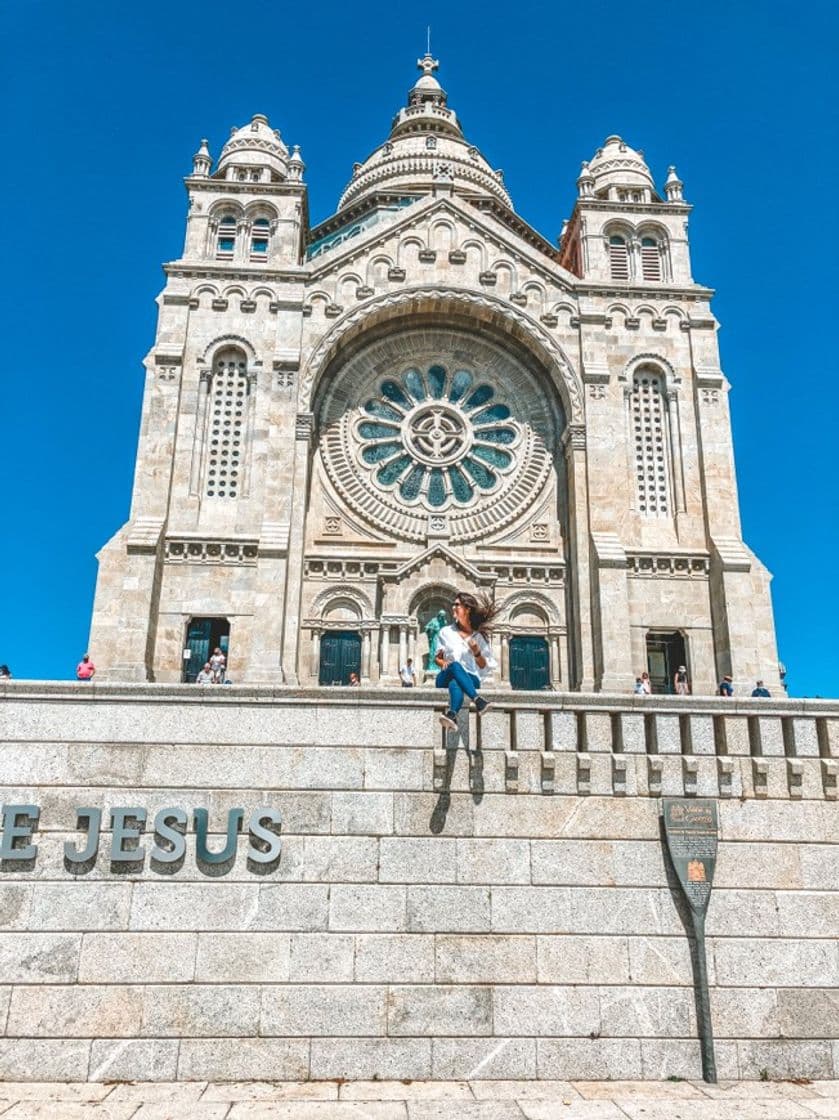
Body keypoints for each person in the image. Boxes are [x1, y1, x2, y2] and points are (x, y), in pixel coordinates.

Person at [436, 591, 498, 730]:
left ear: (467, 609)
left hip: (471, 677)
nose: (453, 607)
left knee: (456, 682)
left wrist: (477, 652)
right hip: (445, 675)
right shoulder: (445, 632)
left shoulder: (479, 637)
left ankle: (452, 715)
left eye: (457, 605)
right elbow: (437, 658)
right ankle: (478, 700)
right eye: (453, 604)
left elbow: (483, 666)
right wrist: (443, 663)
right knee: (455, 667)